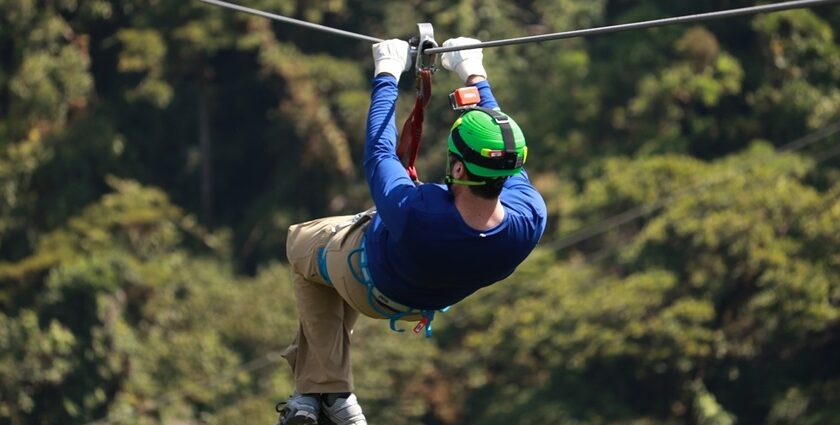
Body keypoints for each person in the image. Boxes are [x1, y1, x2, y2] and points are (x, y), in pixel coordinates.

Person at [276, 37, 547, 425]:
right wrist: (474, 73)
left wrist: (386, 74)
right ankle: (320, 397)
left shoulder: (417, 212)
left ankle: (326, 389)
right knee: (334, 270)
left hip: (366, 281)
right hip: (420, 304)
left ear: (456, 169)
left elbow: (380, 153)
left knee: (302, 242)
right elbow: (502, 150)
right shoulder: (529, 218)